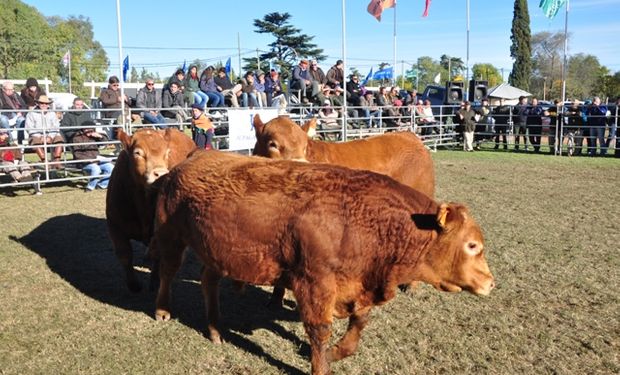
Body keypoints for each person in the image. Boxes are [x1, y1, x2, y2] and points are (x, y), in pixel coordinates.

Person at [68, 120, 114, 191]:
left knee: (111, 167)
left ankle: (102, 185)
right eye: (87, 129)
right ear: (83, 129)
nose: (89, 131)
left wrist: (100, 136)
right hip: (85, 162)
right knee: (96, 169)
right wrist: (90, 160)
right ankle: (90, 186)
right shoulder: (76, 138)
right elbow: (77, 155)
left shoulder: (94, 136)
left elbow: (105, 143)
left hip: (97, 159)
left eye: (91, 129)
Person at [24, 95, 64, 166]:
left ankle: (57, 161)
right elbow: (29, 128)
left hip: (51, 134)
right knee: (35, 142)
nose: (44, 105)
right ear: (38, 103)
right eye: (42, 103)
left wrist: (50, 136)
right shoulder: (31, 113)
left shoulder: (52, 113)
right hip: (35, 135)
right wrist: (40, 136)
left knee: (59, 139)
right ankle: (45, 161)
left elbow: (56, 126)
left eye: (46, 103)